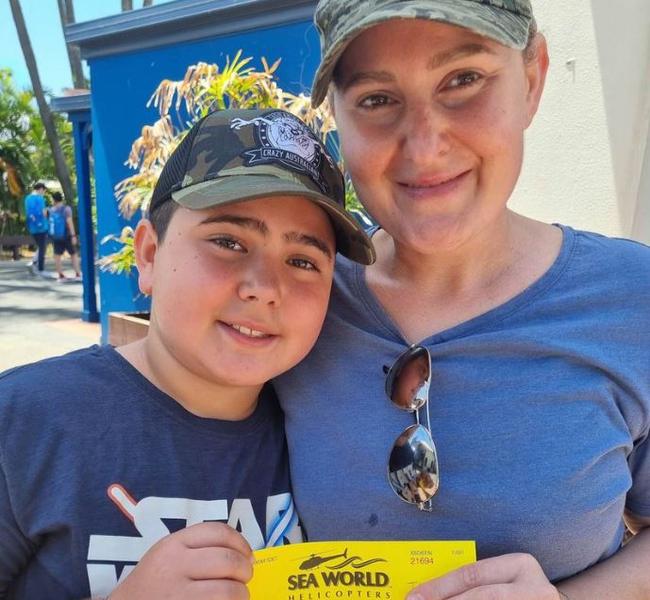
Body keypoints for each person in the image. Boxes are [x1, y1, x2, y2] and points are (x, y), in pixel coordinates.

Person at [275, 1, 650, 599]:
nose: (424, 148)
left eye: (463, 81)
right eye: (376, 98)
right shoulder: (294, 301)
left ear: (532, 79)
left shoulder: (634, 298)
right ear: (337, 117)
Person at [0, 107, 374, 599]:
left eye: (302, 260)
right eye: (228, 241)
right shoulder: (27, 420)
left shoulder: (321, 432)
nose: (265, 288)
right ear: (150, 256)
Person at [48, 191, 82, 281]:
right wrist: (73, 235)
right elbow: (69, 222)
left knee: (57, 255)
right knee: (73, 254)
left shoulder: (51, 210)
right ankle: (78, 273)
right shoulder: (66, 209)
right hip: (66, 235)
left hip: (56, 236)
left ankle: (60, 274)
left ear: (54, 200)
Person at [23, 181, 48, 273]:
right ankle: (40, 268)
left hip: (32, 227)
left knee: (41, 246)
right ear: (41, 189)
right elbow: (44, 212)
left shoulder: (27, 198)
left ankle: (33, 262)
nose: (44, 192)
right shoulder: (40, 198)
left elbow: (28, 213)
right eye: (44, 190)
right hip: (42, 227)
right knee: (43, 248)